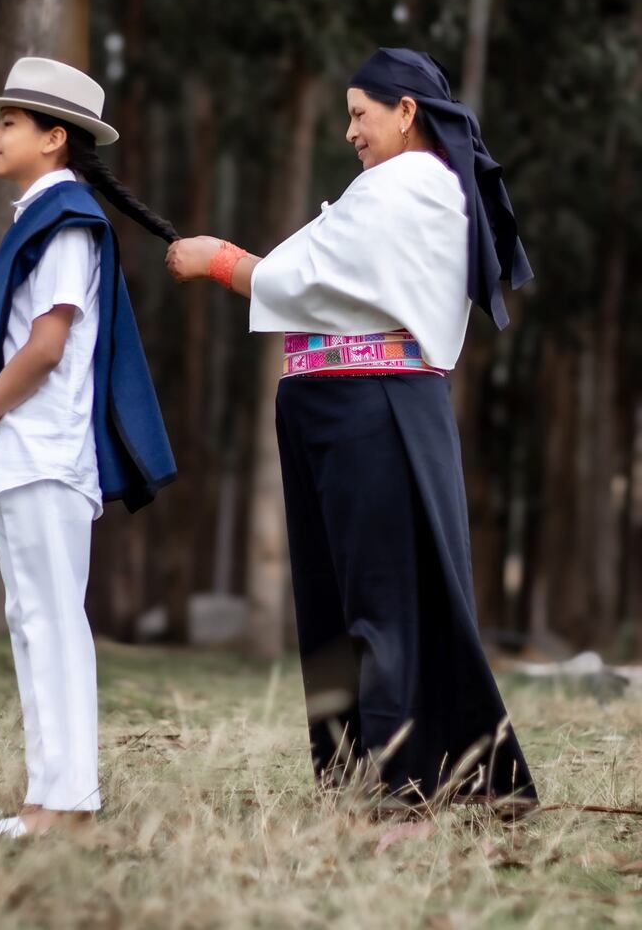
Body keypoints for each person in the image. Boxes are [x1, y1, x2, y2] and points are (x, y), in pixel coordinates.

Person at [166, 47, 537, 811]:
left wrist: (219, 259)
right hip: (339, 404)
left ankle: (405, 794)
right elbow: (316, 271)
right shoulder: (387, 187)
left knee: (382, 609)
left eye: (360, 114)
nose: (350, 132)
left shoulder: (414, 184)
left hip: (378, 404)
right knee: (339, 613)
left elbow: (304, 274)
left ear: (406, 112)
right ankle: (354, 785)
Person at [0, 56, 178, 837]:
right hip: (20, 455)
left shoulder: (69, 219)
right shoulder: (39, 215)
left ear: (54, 137)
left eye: (9, 121)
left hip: (45, 453)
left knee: (53, 622)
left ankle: (69, 804)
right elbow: (8, 342)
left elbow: (46, 348)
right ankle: (48, 799)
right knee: (31, 619)